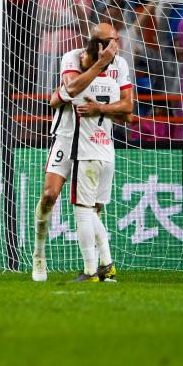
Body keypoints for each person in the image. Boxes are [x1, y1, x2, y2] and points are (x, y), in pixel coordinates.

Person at [33, 23, 133, 283]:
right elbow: (70, 89)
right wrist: (99, 66)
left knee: (91, 208)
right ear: (99, 45)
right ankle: (39, 255)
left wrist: (101, 108)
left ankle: (99, 268)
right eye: (112, 40)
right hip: (67, 137)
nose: (117, 45)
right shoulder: (72, 57)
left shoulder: (120, 65)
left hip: (95, 142)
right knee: (49, 196)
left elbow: (128, 108)